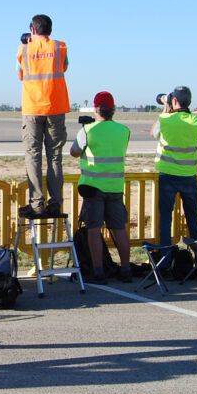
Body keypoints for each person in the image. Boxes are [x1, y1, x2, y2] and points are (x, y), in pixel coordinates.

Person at [69, 91, 132, 282]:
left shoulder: (88, 130)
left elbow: (73, 152)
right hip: (115, 186)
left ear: (96, 109)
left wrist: (85, 129)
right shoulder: (124, 130)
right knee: (119, 228)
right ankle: (126, 269)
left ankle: (98, 271)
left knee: (93, 229)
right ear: (113, 110)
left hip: (94, 188)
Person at [17, 14, 69, 217]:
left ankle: (37, 203)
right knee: (55, 157)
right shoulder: (59, 47)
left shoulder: (24, 50)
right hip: (55, 106)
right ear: (50, 29)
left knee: (33, 155)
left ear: (32, 29)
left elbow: (20, 74)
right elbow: (64, 67)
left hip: (32, 108)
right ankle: (55, 203)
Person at [150, 86, 197, 247]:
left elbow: (153, 133)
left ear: (173, 101)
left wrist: (165, 110)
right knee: (192, 218)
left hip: (168, 174)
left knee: (166, 218)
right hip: (189, 174)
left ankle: (165, 258)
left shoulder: (165, 119)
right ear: (190, 102)